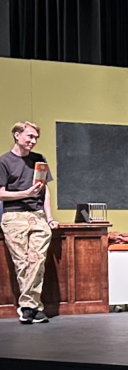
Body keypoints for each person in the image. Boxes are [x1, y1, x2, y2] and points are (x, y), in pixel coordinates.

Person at [0, 121, 58, 324]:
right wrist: (24, 193)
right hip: (13, 216)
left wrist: (49, 217)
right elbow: (0, 194)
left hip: (37, 214)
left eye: (35, 138)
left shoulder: (38, 160)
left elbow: (44, 191)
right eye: (29, 136)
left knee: (37, 260)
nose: (33, 141)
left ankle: (27, 306)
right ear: (17, 135)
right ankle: (33, 307)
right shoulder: (4, 161)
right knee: (22, 263)